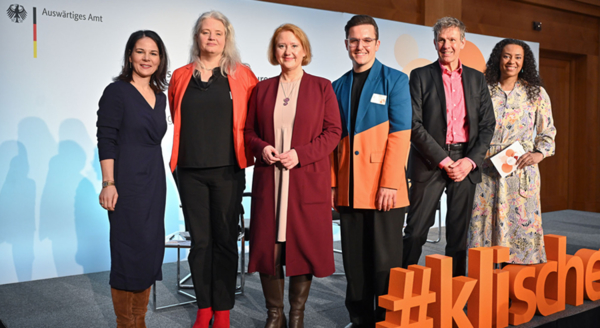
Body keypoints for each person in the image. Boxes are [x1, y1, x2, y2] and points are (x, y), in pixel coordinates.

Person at [245, 23, 342, 328]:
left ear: (304, 51)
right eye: (281, 46)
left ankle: (297, 314)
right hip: (269, 180)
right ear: (274, 52)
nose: (288, 52)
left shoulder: (321, 86)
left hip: (305, 179)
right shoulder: (261, 89)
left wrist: (301, 155)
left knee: (302, 246)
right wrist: (262, 148)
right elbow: (248, 132)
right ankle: (275, 314)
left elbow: (334, 132)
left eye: (294, 45)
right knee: (268, 247)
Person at [168, 11, 258, 328]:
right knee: (200, 242)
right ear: (197, 37)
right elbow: (175, 116)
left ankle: (222, 311)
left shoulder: (243, 75)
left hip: (228, 170)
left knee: (225, 241)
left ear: (226, 38)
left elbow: (252, 120)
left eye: (218, 33)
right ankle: (203, 308)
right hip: (189, 171)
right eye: (205, 32)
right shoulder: (179, 76)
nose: (211, 38)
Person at [331, 15, 412, 327]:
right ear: (346, 44)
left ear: (377, 44)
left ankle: (387, 317)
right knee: (354, 261)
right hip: (349, 189)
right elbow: (333, 141)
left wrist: (390, 183)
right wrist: (333, 186)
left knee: (386, 262)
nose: (359, 46)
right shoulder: (337, 86)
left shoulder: (395, 80)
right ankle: (360, 317)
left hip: (384, 189)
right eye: (354, 40)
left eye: (366, 40)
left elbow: (400, 134)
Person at [403, 17, 495, 276]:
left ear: (462, 42)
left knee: (458, 238)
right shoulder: (420, 76)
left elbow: (488, 125)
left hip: (466, 161)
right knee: (416, 232)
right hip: (429, 161)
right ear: (434, 43)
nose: (447, 45)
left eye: (452, 39)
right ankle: (398, 296)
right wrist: (445, 160)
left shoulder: (478, 79)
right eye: (442, 40)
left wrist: (469, 161)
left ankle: (454, 295)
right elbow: (413, 124)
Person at [97, 30, 169, 328]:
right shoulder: (117, 91)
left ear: (160, 59)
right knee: (128, 249)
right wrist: (108, 183)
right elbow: (106, 138)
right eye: (140, 52)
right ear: (130, 55)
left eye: (153, 53)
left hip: (154, 180)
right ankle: (125, 322)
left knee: (151, 248)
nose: (146, 58)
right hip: (125, 180)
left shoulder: (161, 96)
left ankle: (140, 321)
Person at [468, 39, 556, 264]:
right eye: (507, 56)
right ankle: (486, 286)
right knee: (483, 228)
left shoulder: (536, 93)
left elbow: (547, 132)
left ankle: (517, 286)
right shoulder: (483, 90)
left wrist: (539, 154)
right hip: (485, 170)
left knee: (519, 229)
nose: (512, 61)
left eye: (518, 57)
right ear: (498, 58)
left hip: (520, 170)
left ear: (524, 62)